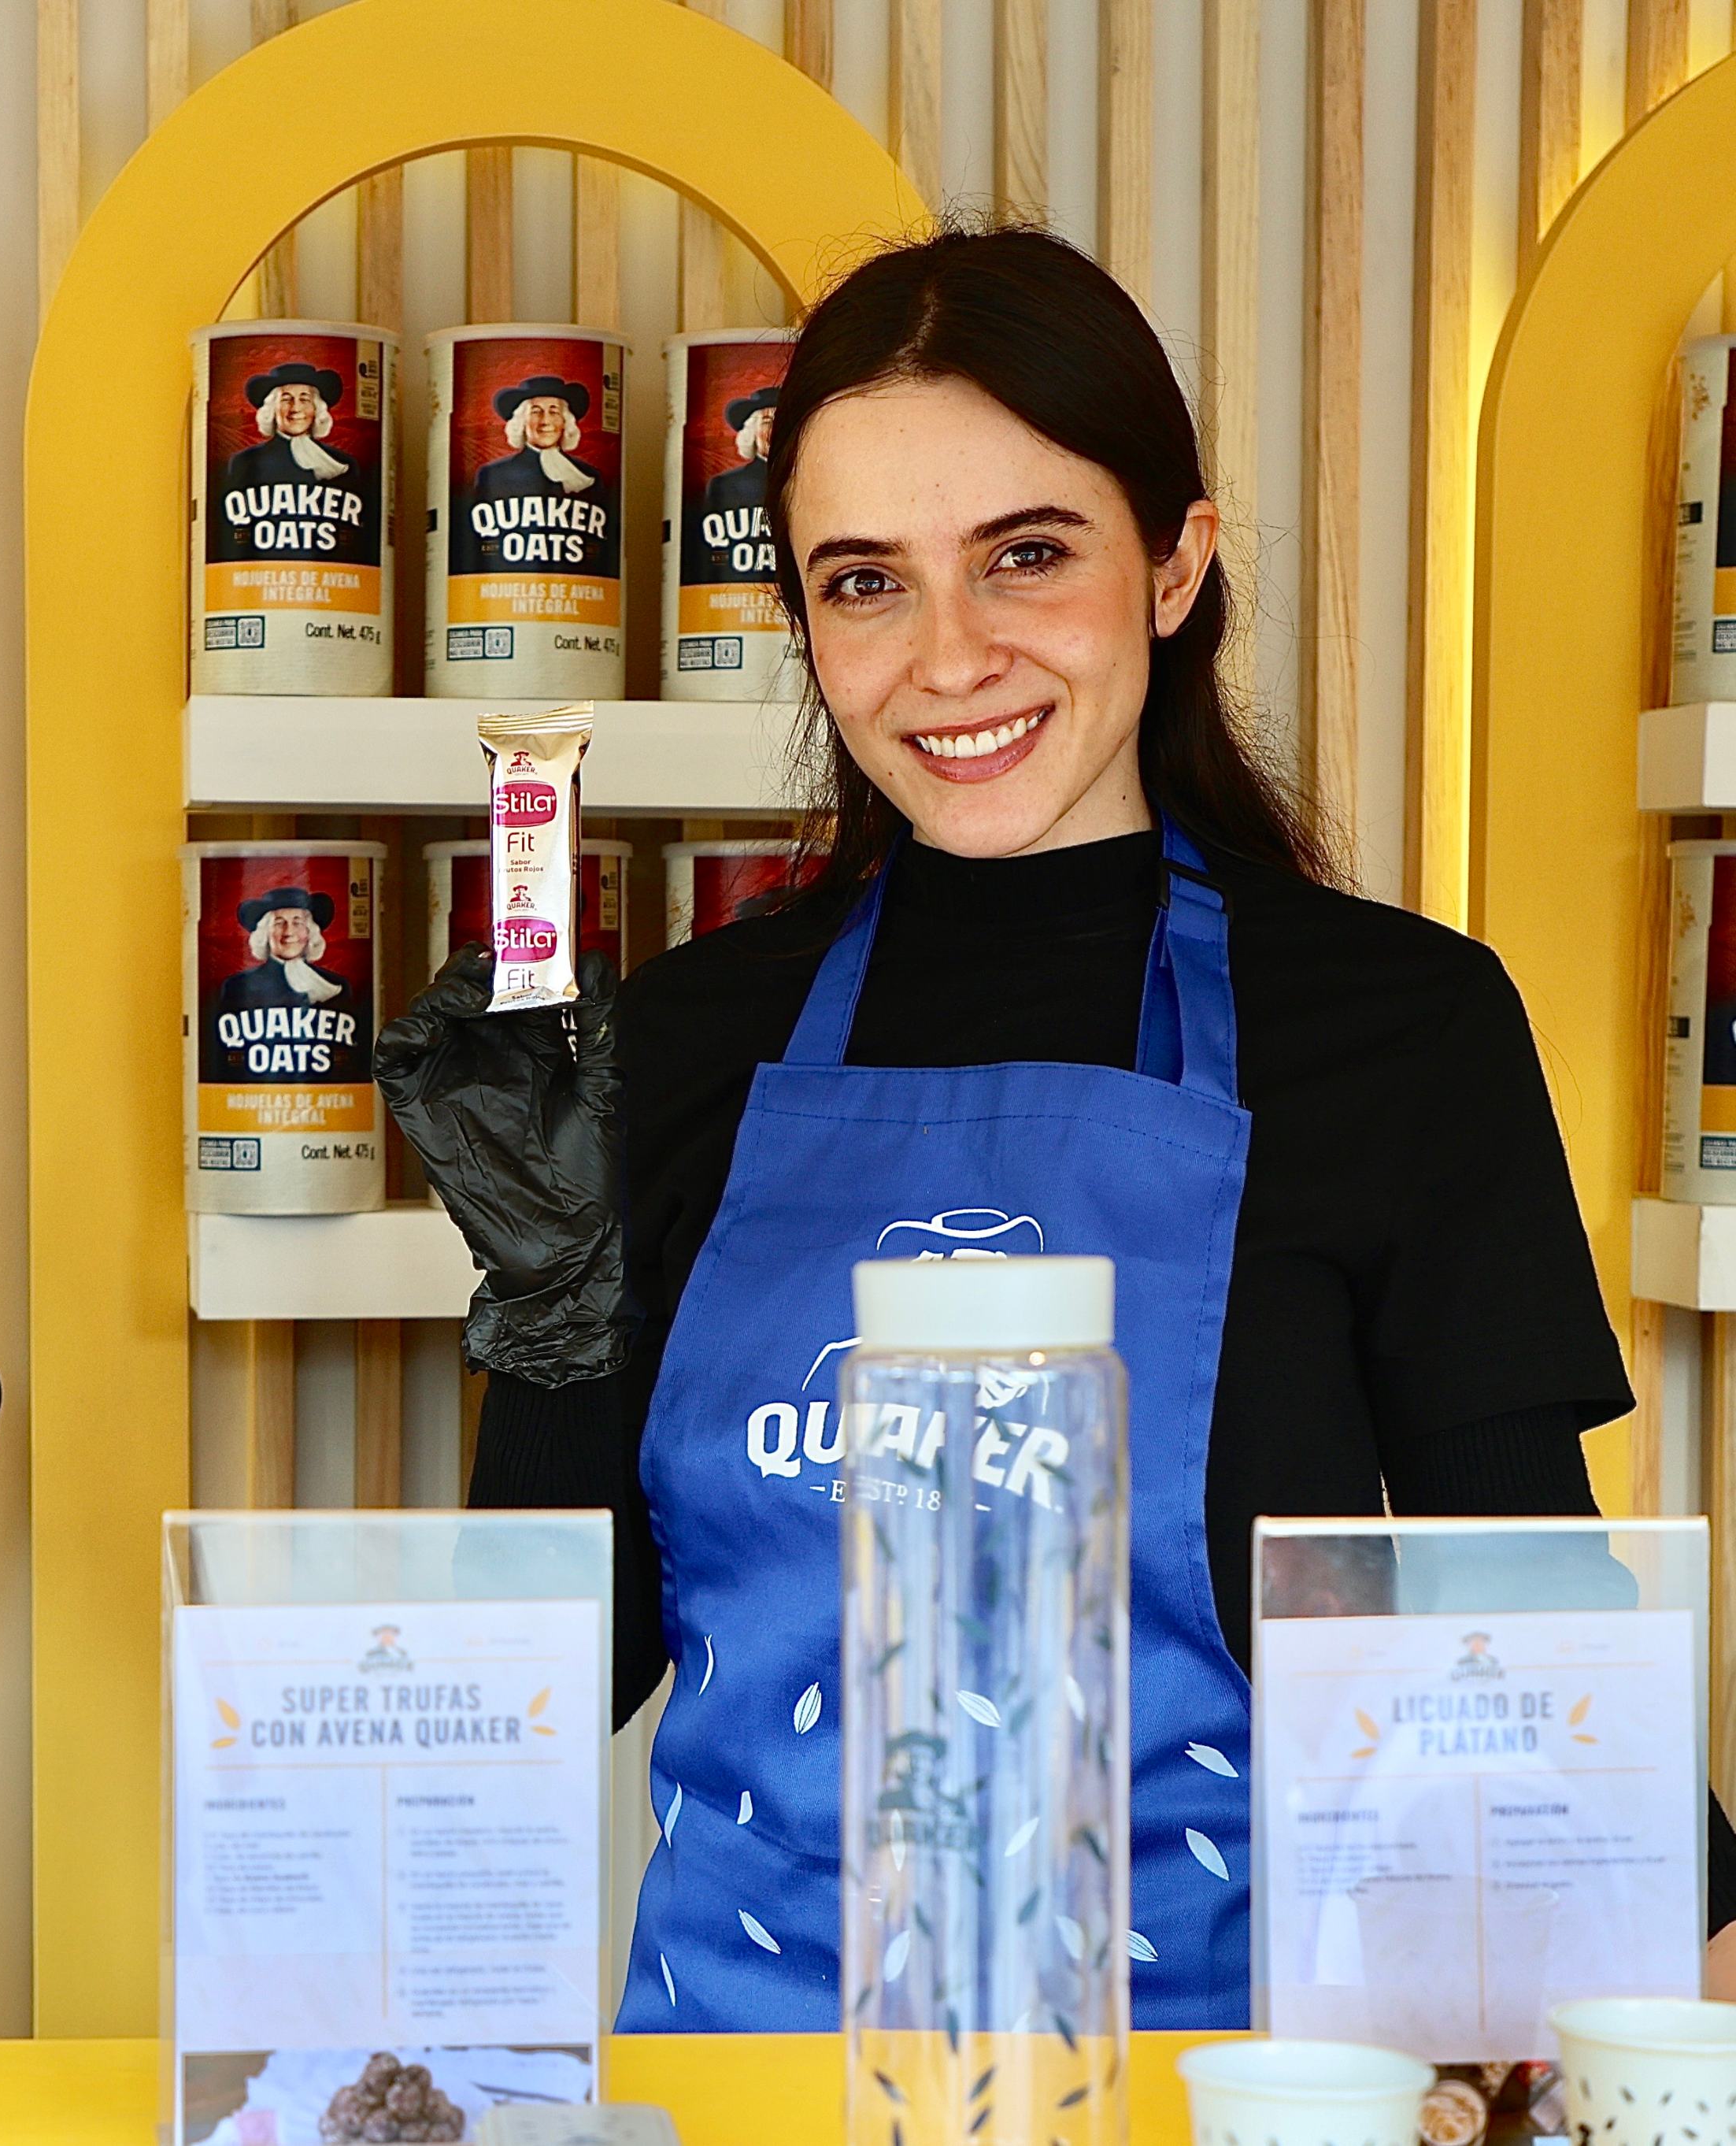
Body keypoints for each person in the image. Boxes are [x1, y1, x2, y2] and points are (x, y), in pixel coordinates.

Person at [383, 224, 1736, 2033]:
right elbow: (555, 1670)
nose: (950, 658)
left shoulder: (1400, 1030)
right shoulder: (684, 1043)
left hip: (1241, 2077)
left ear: (1177, 564)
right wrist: (544, 1290)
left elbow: (1529, 1626)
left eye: (1026, 556)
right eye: (864, 582)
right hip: (750, 2081)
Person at [220, 360, 357, 495]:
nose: (295, 408)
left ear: (317, 409)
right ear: (272, 409)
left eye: (304, 400)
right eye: (286, 400)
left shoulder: (341, 463)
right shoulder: (246, 463)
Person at [217, 886, 350, 1015]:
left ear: (310, 932)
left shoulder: (335, 985)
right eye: (279, 923)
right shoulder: (238, 987)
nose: (289, 932)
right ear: (265, 934)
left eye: (298, 923)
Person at [472, 375, 602, 501]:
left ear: (565, 421)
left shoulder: (588, 476)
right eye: (536, 412)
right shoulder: (494, 475)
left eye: (554, 412)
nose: (545, 421)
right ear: (522, 422)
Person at [698, 384, 773, 521]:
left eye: (783, 420)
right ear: (752, 432)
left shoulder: (808, 481)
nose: (776, 429)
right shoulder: (726, 486)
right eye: (767, 422)